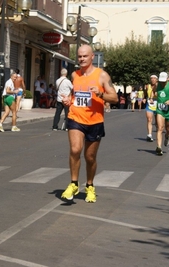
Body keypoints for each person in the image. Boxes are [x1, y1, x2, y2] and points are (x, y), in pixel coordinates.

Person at [60, 44, 118, 203]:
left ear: (92, 57)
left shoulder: (102, 76)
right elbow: (75, 94)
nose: (82, 59)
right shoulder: (74, 75)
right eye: (79, 56)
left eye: (85, 56)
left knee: (90, 156)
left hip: (95, 122)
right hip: (75, 118)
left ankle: (90, 186)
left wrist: (100, 94)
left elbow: (114, 98)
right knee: (75, 149)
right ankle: (73, 183)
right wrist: (68, 100)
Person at [144, 76, 158, 142]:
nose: (153, 80)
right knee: (149, 119)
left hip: (157, 104)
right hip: (149, 104)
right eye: (151, 78)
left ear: (157, 79)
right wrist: (144, 98)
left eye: (154, 78)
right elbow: (145, 93)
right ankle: (149, 135)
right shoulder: (147, 86)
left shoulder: (159, 86)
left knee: (158, 122)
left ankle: (159, 134)